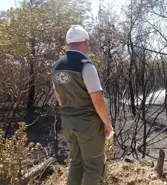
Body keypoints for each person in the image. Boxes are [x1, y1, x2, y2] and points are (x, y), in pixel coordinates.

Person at [51, 25, 113, 185]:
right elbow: (97, 99)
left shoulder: (56, 67)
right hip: (88, 126)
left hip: (68, 123)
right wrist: (106, 124)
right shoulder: (86, 66)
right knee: (93, 166)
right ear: (85, 43)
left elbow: (58, 96)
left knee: (76, 163)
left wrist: (70, 113)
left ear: (67, 44)